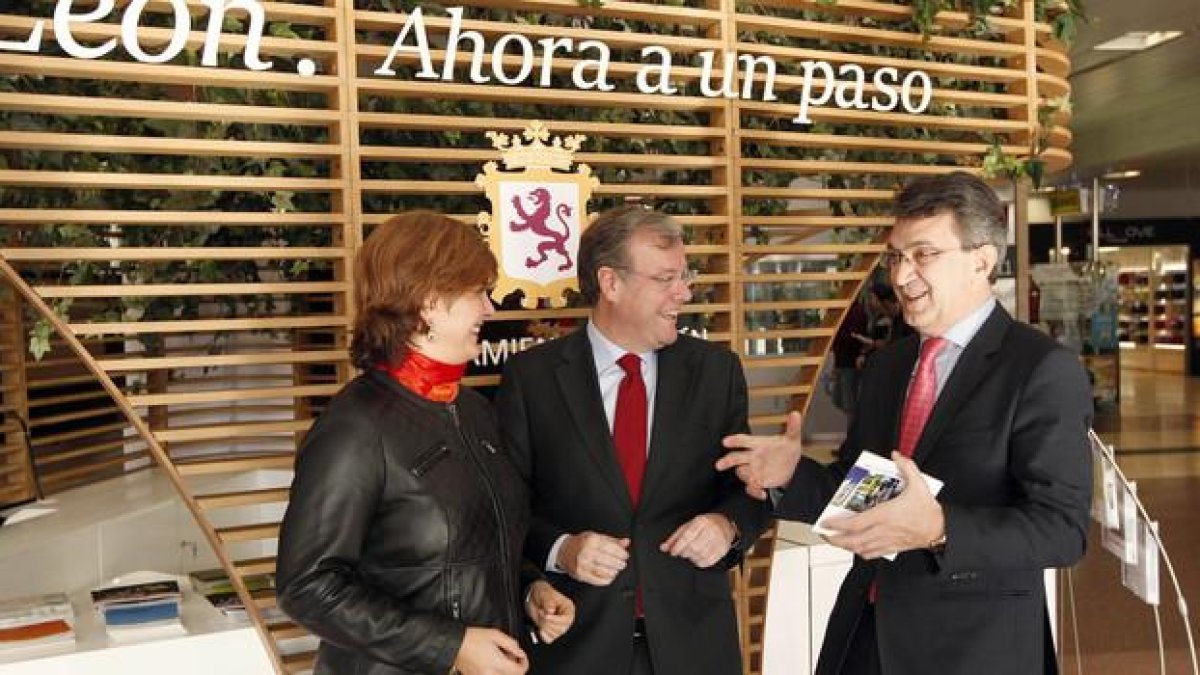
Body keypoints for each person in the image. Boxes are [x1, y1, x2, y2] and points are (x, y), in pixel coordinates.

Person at [717, 172, 1093, 675]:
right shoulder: (889, 367)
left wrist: (940, 528)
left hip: (972, 650)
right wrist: (792, 474)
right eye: (896, 256)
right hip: (865, 635)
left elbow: (1062, 529)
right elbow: (858, 492)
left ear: (981, 261)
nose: (901, 274)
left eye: (924, 254)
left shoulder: (1041, 369)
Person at [276, 211, 575, 675]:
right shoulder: (354, 427)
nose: (489, 309)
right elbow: (307, 585)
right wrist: (449, 646)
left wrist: (529, 589)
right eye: (478, 293)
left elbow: (478, 544)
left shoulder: (474, 409)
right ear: (430, 303)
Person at [496, 205, 770, 675]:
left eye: (685, 276)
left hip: (695, 648)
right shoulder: (532, 379)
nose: (682, 293)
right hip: (575, 650)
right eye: (666, 278)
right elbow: (505, 511)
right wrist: (563, 549)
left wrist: (727, 527)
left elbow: (749, 492)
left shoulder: (716, 372)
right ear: (611, 283)